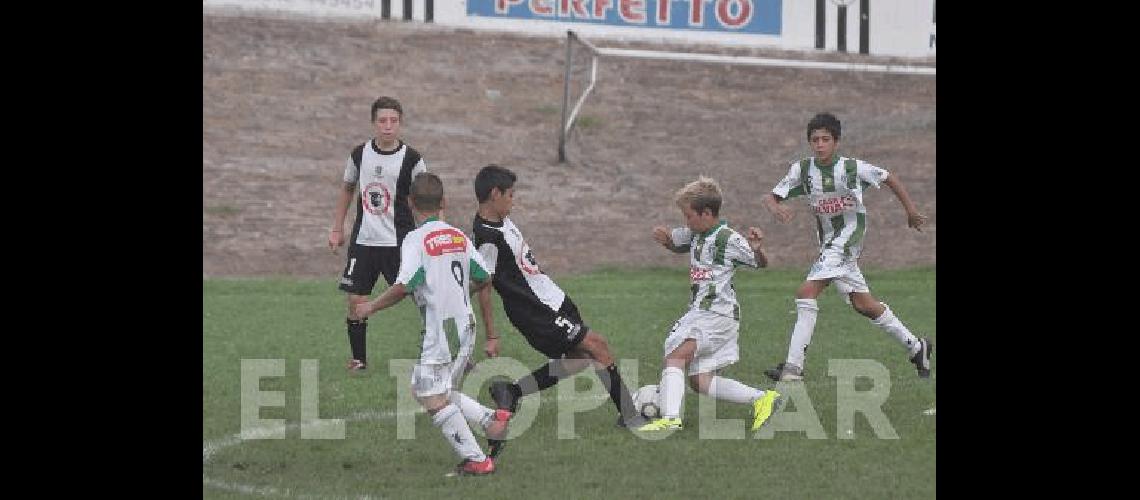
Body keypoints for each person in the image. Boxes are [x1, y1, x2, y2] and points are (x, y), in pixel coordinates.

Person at [470, 164, 647, 450]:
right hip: (535, 311)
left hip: (552, 299)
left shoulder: (501, 220)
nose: (514, 201)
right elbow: (484, 284)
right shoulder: (487, 236)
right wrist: (492, 335)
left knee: (580, 358)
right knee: (597, 346)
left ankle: (512, 391)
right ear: (494, 194)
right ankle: (630, 415)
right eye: (511, 195)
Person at [354, 172, 510, 476]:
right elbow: (484, 277)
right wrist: (456, 293)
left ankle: (477, 459)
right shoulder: (457, 235)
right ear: (444, 202)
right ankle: (491, 420)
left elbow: (405, 285)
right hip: (465, 325)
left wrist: (370, 307)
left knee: (429, 393)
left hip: (443, 330)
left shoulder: (415, 240)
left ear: (410, 203)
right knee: (429, 387)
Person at [760, 112, 932, 382]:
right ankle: (916, 347)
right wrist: (775, 207)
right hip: (829, 242)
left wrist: (910, 211)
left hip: (849, 237)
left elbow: (888, 177)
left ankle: (793, 368)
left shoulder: (852, 168)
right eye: (814, 140)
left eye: (825, 139)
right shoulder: (802, 170)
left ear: (836, 142)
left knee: (806, 293)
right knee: (864, 304)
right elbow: (771, 196)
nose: (819, 144)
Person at [636, 176, 782, 432]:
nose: (686, 222)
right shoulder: (695, 233)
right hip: (707, 314)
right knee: (700, 381)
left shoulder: (728, 239)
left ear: (706, 213)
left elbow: (761, 264)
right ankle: (762, 399)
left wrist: (757, 249)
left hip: (715, 314)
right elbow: (676, 242)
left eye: (689, 216)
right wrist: (666, 240)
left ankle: (670, 419)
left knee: (675, 356)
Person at [330, 96, 427, 372]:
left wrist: (432, 231)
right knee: (354, 299)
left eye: (393, 121)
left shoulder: (413, 159)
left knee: (424, 296)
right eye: (382, 121)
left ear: (400, 123)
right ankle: (359, 360)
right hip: (364, 241)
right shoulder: (359, 154)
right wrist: (338, 228)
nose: (388, 126)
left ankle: (442, 352)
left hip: (401, 242)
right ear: (374, 123)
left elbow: (427, 197)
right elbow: (347, 188)